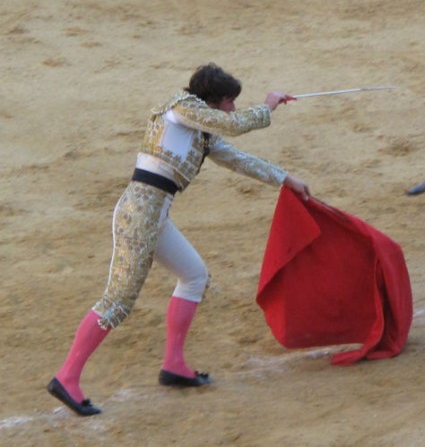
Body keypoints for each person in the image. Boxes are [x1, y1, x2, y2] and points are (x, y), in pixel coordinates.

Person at [47, 63, 311, 416]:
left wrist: (286, 178)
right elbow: (234, 125)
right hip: (140, 213)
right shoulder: (181, 108)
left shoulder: (200, 131)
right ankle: (67, 377)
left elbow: (237, 159)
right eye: (229, 101)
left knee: (194, 276)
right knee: (119, 300)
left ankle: (173, 365)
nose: (232, 108)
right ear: (213, 100)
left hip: (155, 214)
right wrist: (269, 105)